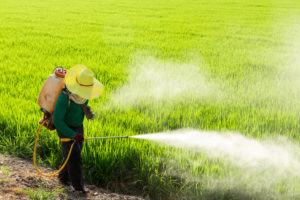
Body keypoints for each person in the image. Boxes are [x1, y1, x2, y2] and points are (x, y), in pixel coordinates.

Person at [53, 64, 103, 196]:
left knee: (71, 153)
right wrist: (72, 134)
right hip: (65, 127)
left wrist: (86, 111)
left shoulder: (83, 96)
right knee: (75, 156)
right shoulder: (65, 97)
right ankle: (79, 187)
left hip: (78, 127)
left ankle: (63, 178)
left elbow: (80, 107)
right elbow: (57, 120)